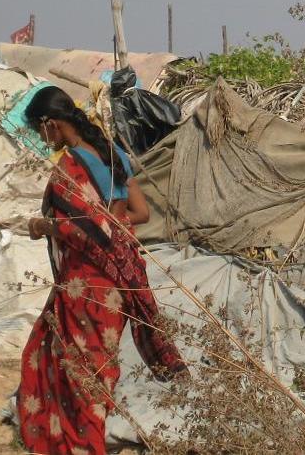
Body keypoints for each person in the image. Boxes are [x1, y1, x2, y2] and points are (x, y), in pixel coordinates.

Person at [17, 85, 184, 455]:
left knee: (81, 378)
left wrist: (42, 225)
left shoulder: (70, 167)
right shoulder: (114, 155)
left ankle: (82, 447)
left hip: (87, 285)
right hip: (120, 282)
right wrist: (111, 230)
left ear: (51, 124)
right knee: (97, 371)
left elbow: (80, 228)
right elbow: (140, 214)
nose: (41, 139)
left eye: (39, 131)